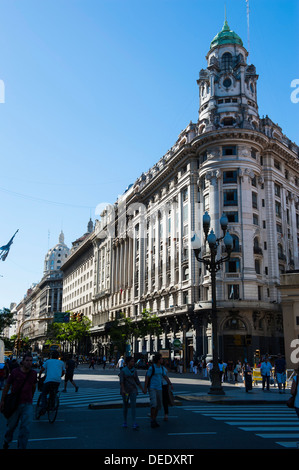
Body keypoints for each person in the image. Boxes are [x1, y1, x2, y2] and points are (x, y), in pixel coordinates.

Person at [0, 353, 37, 449]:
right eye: (27, 360)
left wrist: (31, 398)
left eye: (30, 360)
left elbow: (33, 387)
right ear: (22, 361)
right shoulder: (15, 372)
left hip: (27, 403)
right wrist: (2, 400)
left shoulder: (33, 373)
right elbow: (7, 386)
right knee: (11, 426)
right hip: (15, 404)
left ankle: (21, 447)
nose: (29, 363)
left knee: (25, 428)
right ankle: (7, 440)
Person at [144, 353, 173, 428]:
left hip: (159, 388)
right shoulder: (152, 368)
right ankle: (152, 420)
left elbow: (165, 376)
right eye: (161, 358)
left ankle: (154, 419)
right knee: (154, 404)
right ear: (158, 360)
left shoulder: (161, 368)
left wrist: (170, 383)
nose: (162, 360)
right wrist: (145, 388)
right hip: (152, 388)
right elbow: (147, 377)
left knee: (158, 405)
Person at [119, 356, 144, 430]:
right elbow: (121, 381)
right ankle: (125, 421)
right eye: (132, 361)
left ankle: (134, 422)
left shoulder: (134, 370)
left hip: (133, 390)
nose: (133, 363)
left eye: (133, 361)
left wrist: (142, 389)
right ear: (128, 362)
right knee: (125, 406)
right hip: (125, 391)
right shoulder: (123, 370)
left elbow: (137, 381)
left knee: (133, 406)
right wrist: (123, 390)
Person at [37, 350, 65, 415]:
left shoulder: (48, 361)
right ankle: (52, 406)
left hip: (48, 380)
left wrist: (39, 376)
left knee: (44, 393)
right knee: (53, 393)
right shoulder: (61, 362)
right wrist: (59, 376)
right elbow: (63, 372)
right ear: (58, 356)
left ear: (51, 356)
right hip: (57, 381)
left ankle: (44, 407)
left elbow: (41, 370)